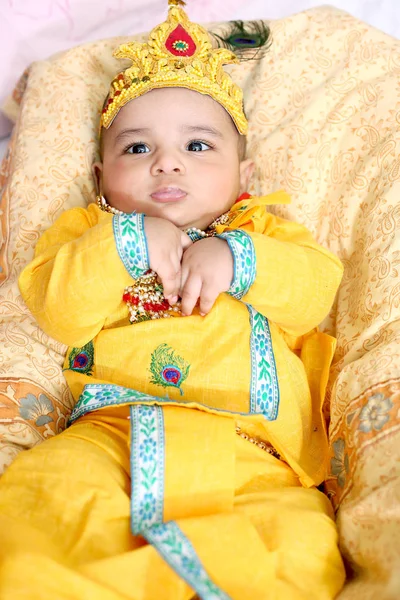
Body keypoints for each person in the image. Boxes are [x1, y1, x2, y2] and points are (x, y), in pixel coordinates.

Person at [0, 2, 346, 598]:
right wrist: (127, 242)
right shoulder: (88, 231)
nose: (167, 161)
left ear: (244, 174)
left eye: (198, 145)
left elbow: (315, 292)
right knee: (43, 501)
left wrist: (240, 258)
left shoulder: (264, 230)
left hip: (258, 454)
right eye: (136, 149)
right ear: (99, 173)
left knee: (298, 550)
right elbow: (57, 307)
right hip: (111, 432)